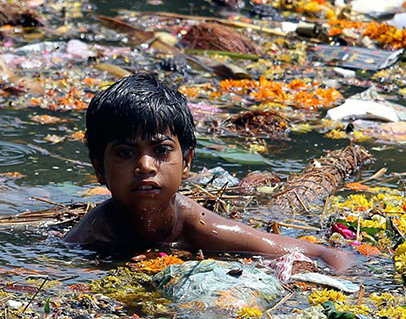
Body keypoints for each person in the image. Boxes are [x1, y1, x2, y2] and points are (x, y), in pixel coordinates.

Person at [64, 73, 356, 273]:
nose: (146, 166)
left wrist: (338, 282)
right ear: (99, 168)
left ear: (188, 161)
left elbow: (329, 254)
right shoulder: (93, 233)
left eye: (162, 150)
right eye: (125, 153)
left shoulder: (202, 228)